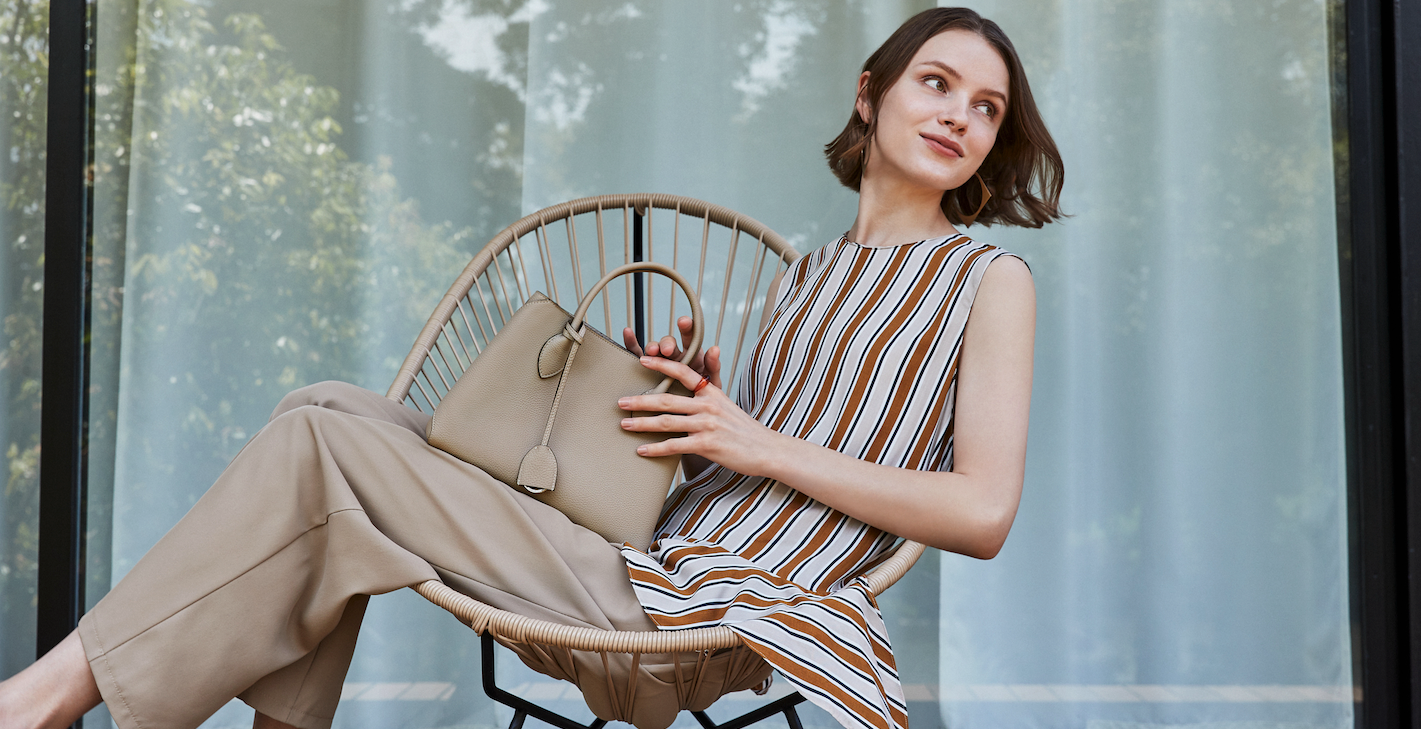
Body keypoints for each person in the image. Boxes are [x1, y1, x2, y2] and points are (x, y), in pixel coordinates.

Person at [0, 7, 1062, 729]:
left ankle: (42, 702)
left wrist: (748, 439)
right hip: (647, 551)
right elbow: (739, 475)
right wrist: (691, 409)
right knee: (321, 405)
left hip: (687, 618)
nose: (957, 117)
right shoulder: (814, 268)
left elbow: (980, 514)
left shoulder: (987, 279)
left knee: (322, 448)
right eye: (936, 83)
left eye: (983, 108)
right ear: (870, 96)